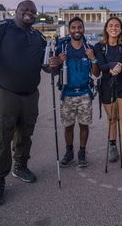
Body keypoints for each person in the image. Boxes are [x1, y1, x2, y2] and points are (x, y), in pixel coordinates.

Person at [0, 0, 55, 207]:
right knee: (1, 137)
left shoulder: (37, 37)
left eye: (32, 11)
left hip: (29, 93)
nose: (29, 13)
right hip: (2, 91)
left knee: (25, 133)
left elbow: (47, 65)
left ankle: (21, 166)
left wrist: (54, 64)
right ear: (16, 12)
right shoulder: (0, 28)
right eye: (24, 10)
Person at [52, 17, 100, 168]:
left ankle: (82, 152)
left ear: (83, 29)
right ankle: (69, 151)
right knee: (68, 126)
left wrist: (93, 59)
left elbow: (96, 74)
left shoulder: (89, 48)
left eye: (79, 27)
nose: (77, 30)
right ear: (69, 30)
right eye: (73, 28)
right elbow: (52, 71)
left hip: (85, 92)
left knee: (84, 125)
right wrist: (58, 62)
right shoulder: (62, 49)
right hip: (67, 93)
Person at [94, 17, 122, 169]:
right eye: (111, 25)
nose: (114, 28)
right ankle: (112, 147)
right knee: (112, 119)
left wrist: (119, 68)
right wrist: (113, 65)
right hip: (107, 85)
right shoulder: (99, 47)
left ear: (121, 28)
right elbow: (100, 66)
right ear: (106, 28)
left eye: (117, 26)